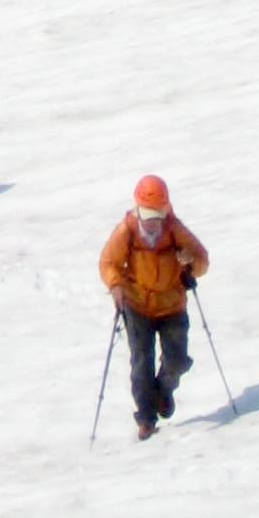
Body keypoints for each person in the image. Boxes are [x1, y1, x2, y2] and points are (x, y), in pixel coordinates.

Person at [98, 173, 209, 436]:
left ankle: (163, 392)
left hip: (172, 305)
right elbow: (108, 262)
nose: (151, 224)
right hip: (137, 305)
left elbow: (202, 259)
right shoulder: (126, 230)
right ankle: (146, 418)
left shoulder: (174, 230)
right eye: (146, 217)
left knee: (177, 360)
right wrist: (115, 285)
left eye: (156, 216)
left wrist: (189, 262)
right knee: (141, 364)